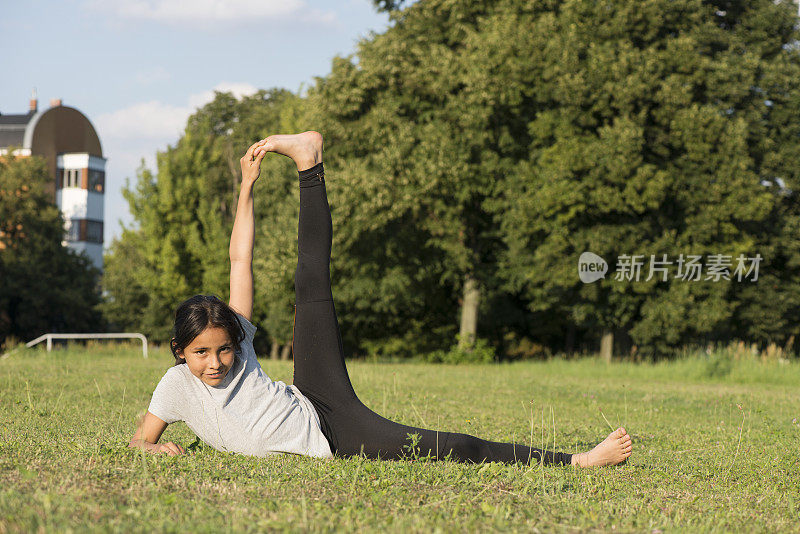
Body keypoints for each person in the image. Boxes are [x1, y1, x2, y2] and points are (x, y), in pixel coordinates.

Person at [129, 131, 633, 468]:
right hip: (335, 445)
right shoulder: (175, 388)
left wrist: (246, 187)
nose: (217, 362)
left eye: (223, 349)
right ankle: (577, 461)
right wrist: (156, 451)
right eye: (201, 353)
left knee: (313, 283)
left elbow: (241, 261)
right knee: (442, 447)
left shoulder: (236, 341)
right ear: (180, 352)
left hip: (322, 406)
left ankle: (309, 162)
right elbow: (140, 440)